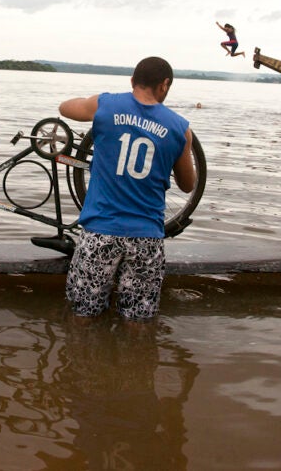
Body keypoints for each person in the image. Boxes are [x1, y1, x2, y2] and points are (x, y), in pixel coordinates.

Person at [59, 56, 196, 321]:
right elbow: (188, 185)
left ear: (132, 81)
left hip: (100, 233)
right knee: (138, 322)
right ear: (165, 85)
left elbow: (64, 108)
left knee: (82, 319)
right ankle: (136, 361)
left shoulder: (105, 105)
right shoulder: (181, 128)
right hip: (147, 237)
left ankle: (80, 362)